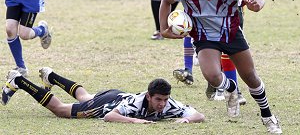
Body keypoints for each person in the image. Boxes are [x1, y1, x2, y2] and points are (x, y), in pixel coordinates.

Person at [159, 0, 282, 133]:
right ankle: (231, 88)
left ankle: (268, 116)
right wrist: (163, 29)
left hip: (231, 34)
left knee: (251, 77)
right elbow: (166, 0)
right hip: (204, 37)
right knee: (212, 76)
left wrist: (257, 5)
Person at [162, 0, 261, 105]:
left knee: (229, 51)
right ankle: (213, 81)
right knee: (193, 31)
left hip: (231, 11)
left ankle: (233, 89)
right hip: (204, 9)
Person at [0, 67, 205, 123]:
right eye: (158, 100)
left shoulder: (169, 105)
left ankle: (51, 76)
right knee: (61, 110)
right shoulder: (135, 104)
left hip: (115, 95)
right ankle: (18, 80)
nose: (162, 104)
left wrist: (186, 121)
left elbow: (198, 115)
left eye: (165, 100)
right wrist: (135, 122)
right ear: (149, 97)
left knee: (85, 97)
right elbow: (109, 117)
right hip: (109, 105)